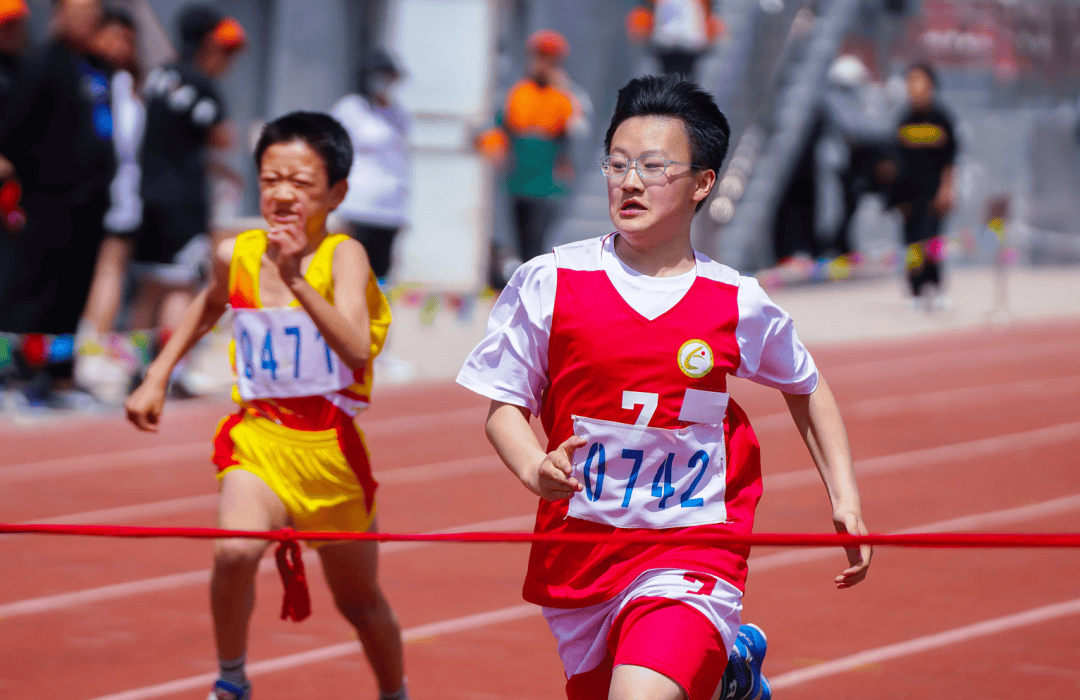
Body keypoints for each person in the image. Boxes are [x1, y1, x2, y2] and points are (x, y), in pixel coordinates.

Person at [457, 74, 872, 700]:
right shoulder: (551, 280)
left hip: (692, 550)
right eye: (618, 164)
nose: (629, 182)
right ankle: (729, 676)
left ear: (701, 184)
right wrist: (531, 468)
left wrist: (844, 498)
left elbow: (807, 387)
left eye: (653, 167)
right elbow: (504, 405)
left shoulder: (734, 300)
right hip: (581, 558)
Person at [125, 112, 408, 700]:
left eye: (301, 184)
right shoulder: (237, 253)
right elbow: (207, 305)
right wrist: (156, 375)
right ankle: (231, 679)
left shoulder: (344, 256)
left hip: (331, 451)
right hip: (258, 437)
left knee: (360, 603)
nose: (282, 194)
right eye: (270, 179)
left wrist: (297, 280)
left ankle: (393, 692)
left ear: (336, 193)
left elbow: (356, 349)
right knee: (234, 550)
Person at [0, 0, 115, 405]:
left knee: (72, 297)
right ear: (59, 14)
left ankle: (59, 378)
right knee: (33, 296)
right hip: (47, 204)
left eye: (93, 14)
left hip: (90, 204)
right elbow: (10, 133)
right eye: (79, 11)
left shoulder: (94, 68)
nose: (88, 21)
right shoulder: (41, 65)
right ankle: (14, 376)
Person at [127, 3, 245, 374]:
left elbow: (174, 140)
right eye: (223, 50)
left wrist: (219, 169)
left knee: (149, 285)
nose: (228, 61)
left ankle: (136, 365)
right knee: (180, 286)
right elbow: (224, 137)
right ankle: (169, 371)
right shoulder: (202, 86)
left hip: (147, 195)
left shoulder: (160, 76)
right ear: (206, 45)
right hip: (183, 201)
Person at [75, 3, 146, 403]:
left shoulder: (128, 83)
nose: (120, 46)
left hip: (123, 194)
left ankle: (91, 348)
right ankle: (82, 349)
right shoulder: (89, 79)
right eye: (113, 36)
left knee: (110, 269)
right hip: (91, 193)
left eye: (128, 40)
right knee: (96, 271)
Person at [482, 29, 582, 286]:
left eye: (550, 58)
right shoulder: (518, 92)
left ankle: (536, 286)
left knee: (538, 239)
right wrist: (496, 148)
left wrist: (566, 89)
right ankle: (521, 284)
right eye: (539, 56)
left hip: (546, 180)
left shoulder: (564, 96)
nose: (543, 63)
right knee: (518, 237)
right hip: (518, 176)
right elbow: (500, 126)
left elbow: (575, 131)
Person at [331, 48, 411, 284]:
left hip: (391, 208)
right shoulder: (350, 108)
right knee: (351, 271)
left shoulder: (397, 112)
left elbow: (400, 160)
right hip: (359, 207)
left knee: (380, 275)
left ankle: (373, 319)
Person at [888, 62, 957, 309]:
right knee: (912, 244)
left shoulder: (942, 119)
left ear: (931, 85)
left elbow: (951, 160)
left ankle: (936, 287)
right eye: (910, 82)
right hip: (909, 196)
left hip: (934, 194)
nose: (914, 88)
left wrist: (947, 190)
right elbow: (896, 162)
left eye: (919, 81)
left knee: (933, 241)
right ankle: (916, 291)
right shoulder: (903, 121)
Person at [625, 0, 724, 80]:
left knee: (685, 81)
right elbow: (646, 9)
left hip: (690, 42)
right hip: (665, 42)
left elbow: (710, 10)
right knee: (668, 80)